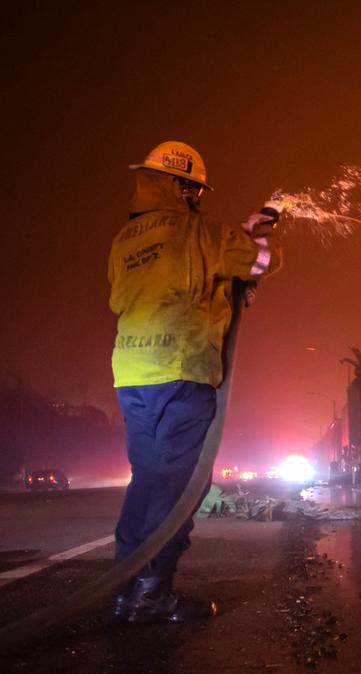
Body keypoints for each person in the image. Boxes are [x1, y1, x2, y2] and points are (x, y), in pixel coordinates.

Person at [108, 141, 281, 623]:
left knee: (146, 482)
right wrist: (257, 231)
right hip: (182, 371)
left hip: (132, 374)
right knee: (180, 488)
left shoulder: (125, 239)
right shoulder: (199, 231)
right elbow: (260, 263)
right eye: (196, 190)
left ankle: (124, 588)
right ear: (184, 188)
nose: (199, 199)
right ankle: (150, 594)